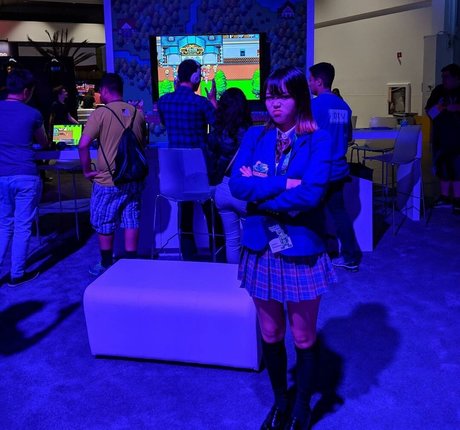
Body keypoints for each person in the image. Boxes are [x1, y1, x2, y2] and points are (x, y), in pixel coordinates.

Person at [229, 67, 336, 430]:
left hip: (301, 248)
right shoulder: (255, 135)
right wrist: (284, 183)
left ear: (300, 98)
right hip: (260, 245)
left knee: (303, 336)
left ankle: (301, 406)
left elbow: (311, 194)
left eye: (283, 96)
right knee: (271, 334)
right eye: (270, 95)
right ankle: (280, 402)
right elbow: (236, 186)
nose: (274, 103)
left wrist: (262, 194)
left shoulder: (319, 138)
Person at [78, 73, 146, 276]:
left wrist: (87, 170)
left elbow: (83, 145)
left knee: (104, 219)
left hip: (108, 180)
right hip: (133, 178)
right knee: (131, 217)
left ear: (105, 90)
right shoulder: (137, 113)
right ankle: (131, 263)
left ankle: (106, 263)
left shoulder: (100, 113)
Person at [158, 59, 218, 260]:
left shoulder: (164, 101)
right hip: (199, 168)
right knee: (210, 209)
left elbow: (165, 123)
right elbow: (218, 126)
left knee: (185, 209)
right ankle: (217, 252)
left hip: (176, 172)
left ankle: (188, 255)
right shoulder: (201, 103)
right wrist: (213, 101)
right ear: (195, 77)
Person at [309, 62, 362, 271]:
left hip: (319, 169)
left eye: (311, 80)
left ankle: (317, 255)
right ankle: (350, 257)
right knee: (339, 213)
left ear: (319, 81)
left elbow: (304, 137)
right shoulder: (344, 106)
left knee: (312, 213)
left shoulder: (314, 106)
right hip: (339, 168)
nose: (309, 84)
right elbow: (348, 138)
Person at [0, 69, 49, 286]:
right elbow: (44, 143)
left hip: (1, 175)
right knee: (22, 227)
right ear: (27, 91)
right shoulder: (33, 114)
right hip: (26, 175)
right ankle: (17, 274)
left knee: (3, 225)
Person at [208, 88, 253, 263]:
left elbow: (211, 163)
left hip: (222, 189)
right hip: (243, 190)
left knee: (232, 241)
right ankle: (249, 275)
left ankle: (232, 276)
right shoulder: (250, 134)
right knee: (250, 240)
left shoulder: (215, 134)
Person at [425, 63, 460, 214]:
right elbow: (429, 111)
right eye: (442, 77)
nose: (444, 80)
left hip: (458, 138)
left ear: (457, 78)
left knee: (457, 169)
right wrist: (441, 108)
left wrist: (456, 108)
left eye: (447, 77)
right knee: (443, 168)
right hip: (441, 137)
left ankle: (458, 200)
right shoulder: (439, 91)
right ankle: (445, 198)